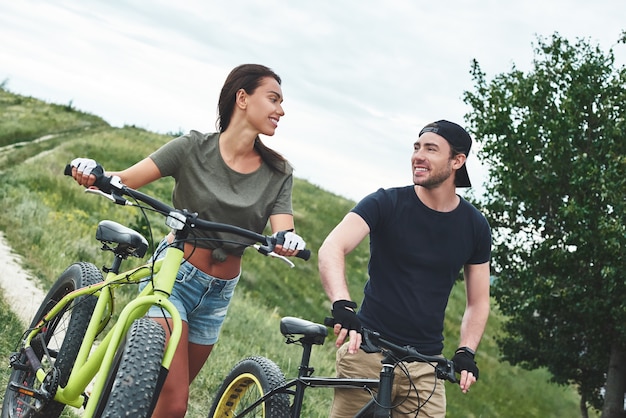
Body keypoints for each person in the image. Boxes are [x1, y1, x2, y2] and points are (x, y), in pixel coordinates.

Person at [69, 64, 306, 417]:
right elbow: (127, 179)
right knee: (174, 404)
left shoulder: (278, 171)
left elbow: (283, 229)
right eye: (273, 99)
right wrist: (94, 174)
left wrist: (287, 240)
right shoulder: (192, 147)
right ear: (242, 98)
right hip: (174, 279)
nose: (281, 110)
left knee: (158, 400)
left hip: (219, 294)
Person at [318, 120, 491, 417]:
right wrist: (343, 305)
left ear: (457, 161)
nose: (418, 155)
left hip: (425, 364)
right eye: (416, 147)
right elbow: (332, 247)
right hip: (368, 350)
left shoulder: (475, 226)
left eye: (431, 149)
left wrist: (466, 351)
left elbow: (478, 301)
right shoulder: (386, 203)